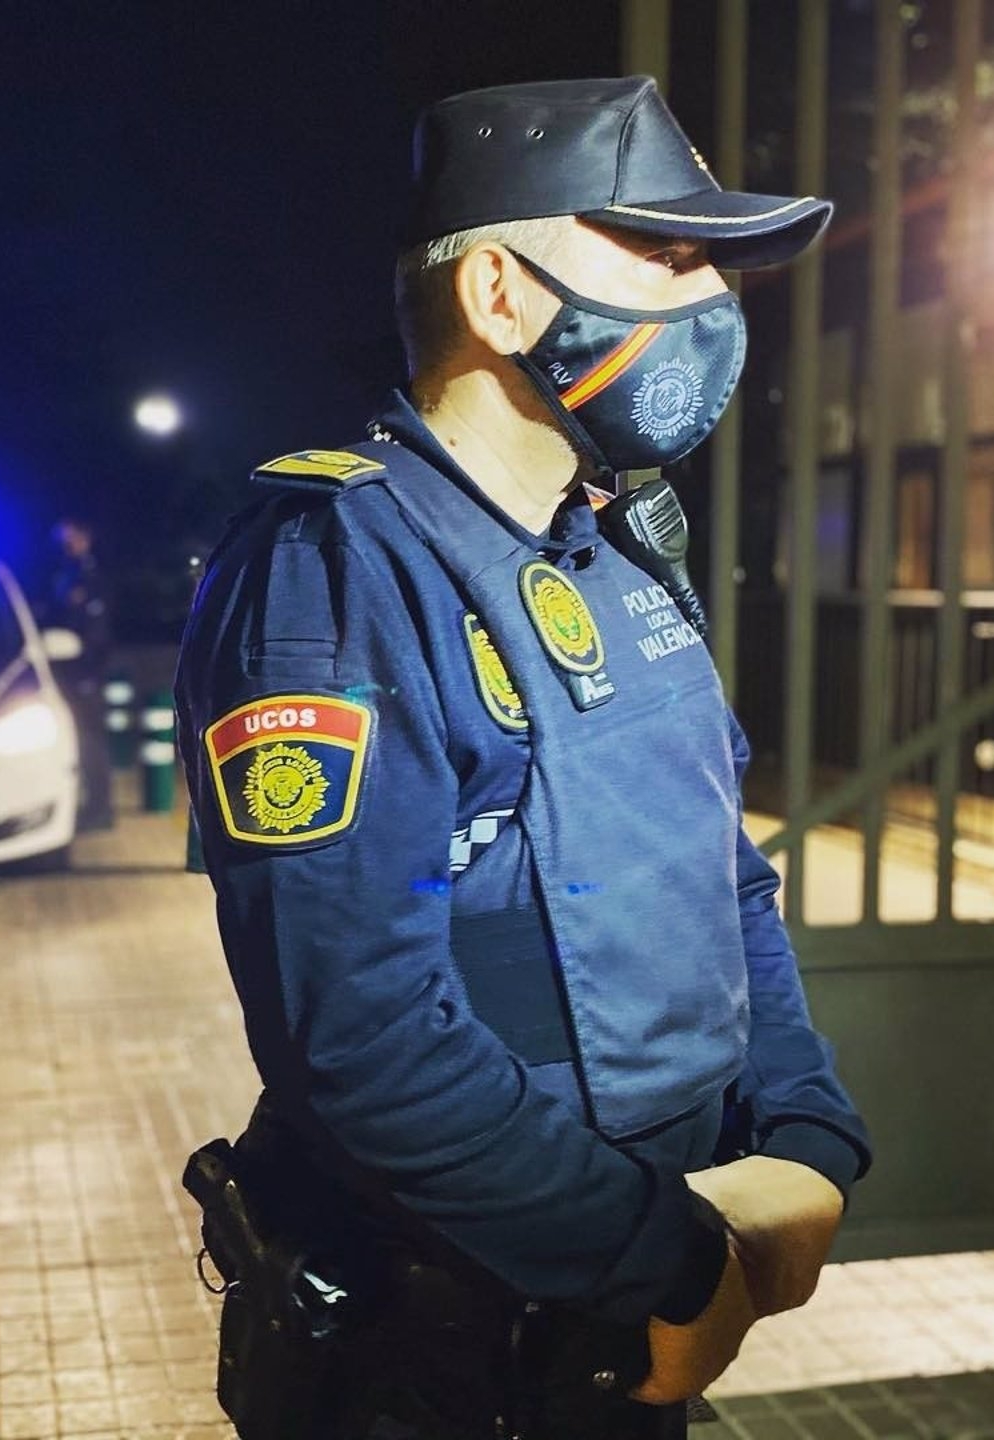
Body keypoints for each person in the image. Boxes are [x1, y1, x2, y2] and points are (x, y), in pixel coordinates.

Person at [175, 77, 871, 1440]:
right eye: (662, 254)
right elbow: (363, 1041)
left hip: (632, 1292)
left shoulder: (611, 546)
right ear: (500, 293)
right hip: (444, 1348)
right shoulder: (339, 570)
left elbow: (720, 877)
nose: (708, 298)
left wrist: (804, 1136)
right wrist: (660, 1259)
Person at [45, 517, 115, 830]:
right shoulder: (64, 573)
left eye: (70, 537)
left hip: (85, 672)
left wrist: (90, 671)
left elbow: (96, 630)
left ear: (85, 537)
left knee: (91, 742)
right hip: (66, 670)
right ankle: (88, 804)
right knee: (77, 741)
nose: (65, 543)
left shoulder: (91, 576)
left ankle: (100, 809)